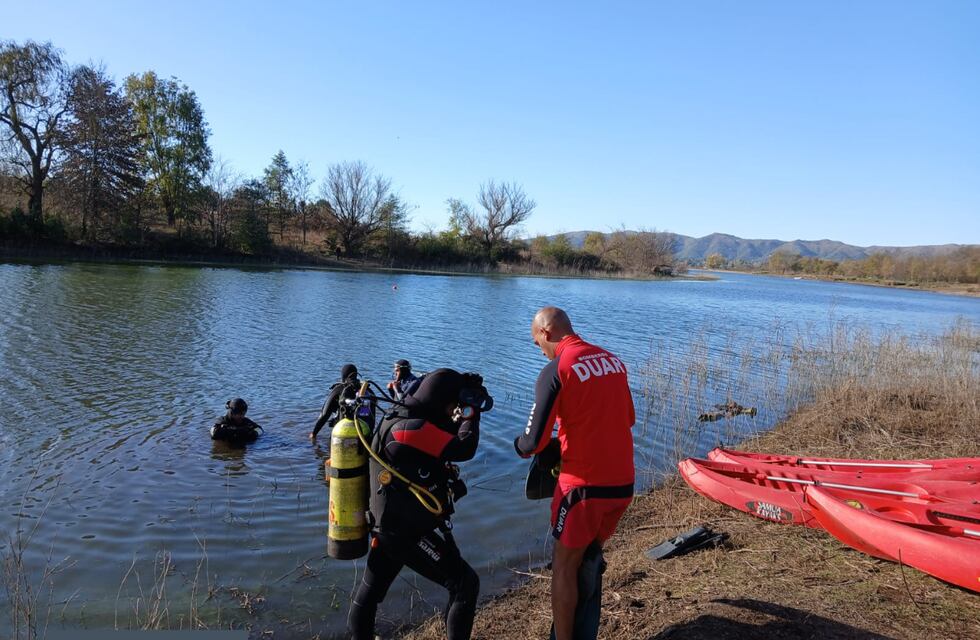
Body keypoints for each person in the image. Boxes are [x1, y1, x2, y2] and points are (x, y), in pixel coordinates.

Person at [513, 307, 635, 640]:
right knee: (587, 557)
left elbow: (531, 442)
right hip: (622, 485)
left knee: (564, 566)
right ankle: (585, 628)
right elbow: (625, 419)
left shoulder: (557, 369)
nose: (539, 350)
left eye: (536, 341)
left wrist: (519, 445)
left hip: (583, 491)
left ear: (546, 332)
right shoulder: (612, 361)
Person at [348, 368, 491, 640]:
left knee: (370, 594)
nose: (453, 412)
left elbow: (444, 433)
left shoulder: (404, 417)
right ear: (440, 400)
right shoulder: (409, 430)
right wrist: (472, 410)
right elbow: (464, 448)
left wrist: (464, 396)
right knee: (464, 584)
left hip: (391, 526)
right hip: (404, 533)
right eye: (452, 405)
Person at [310, 364, 376, 440]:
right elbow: (372, 419)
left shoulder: (339, 389)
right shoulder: (369, 392)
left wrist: (314, 434)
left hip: (343, 435)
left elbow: (324, 415)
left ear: (343, 376)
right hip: (365, 435)